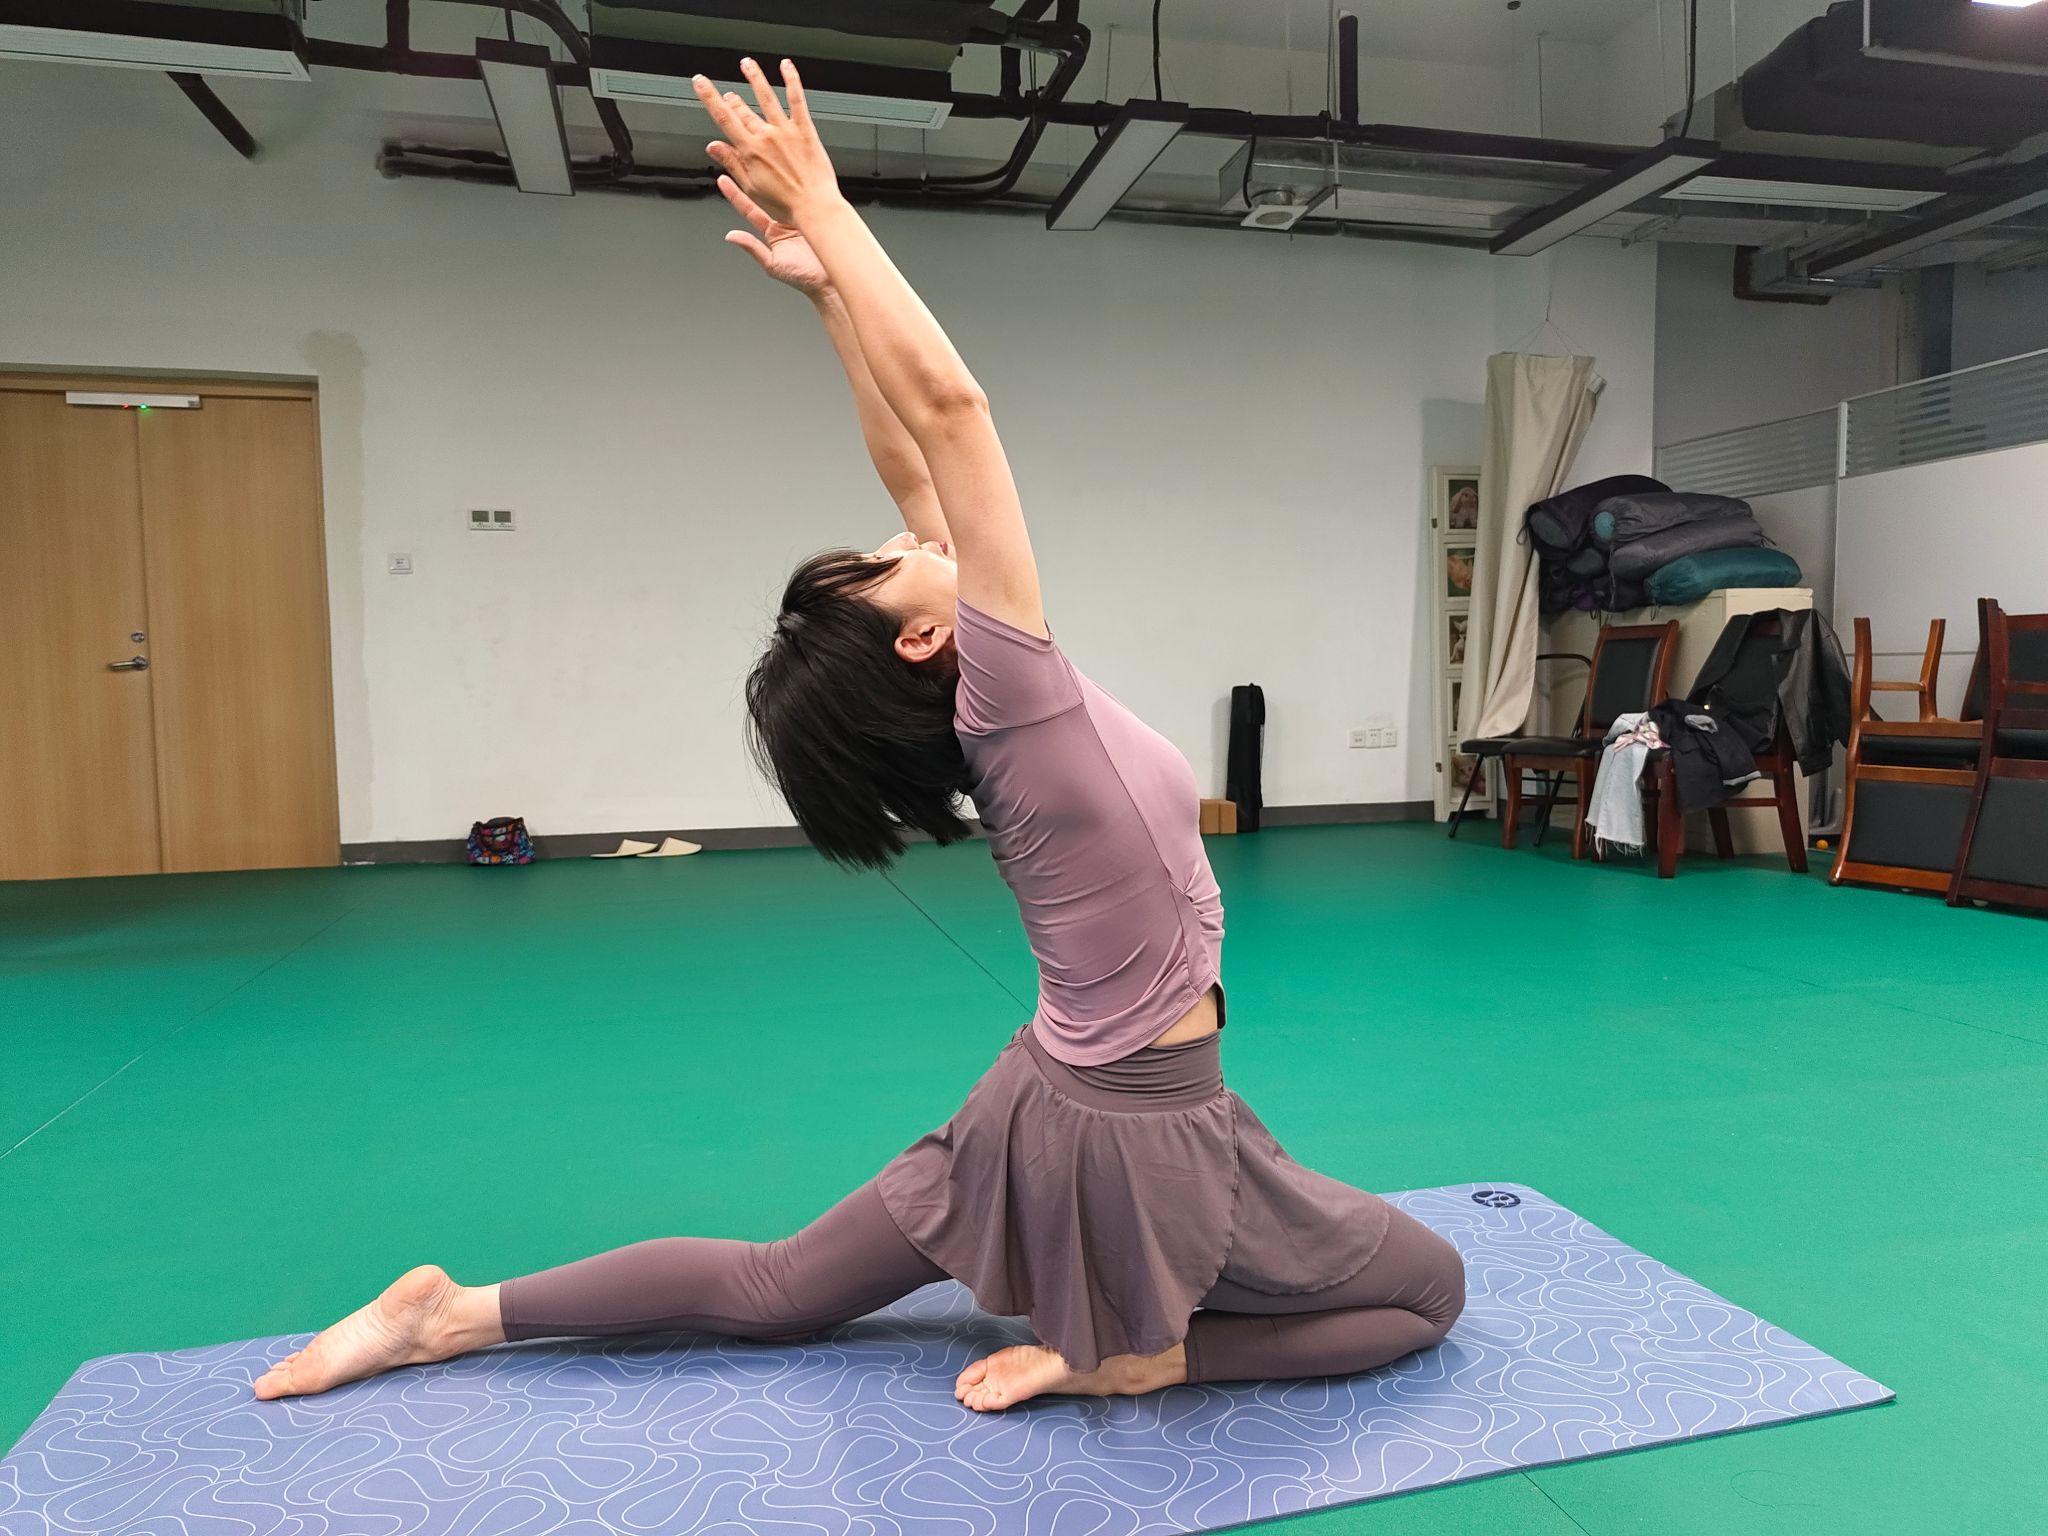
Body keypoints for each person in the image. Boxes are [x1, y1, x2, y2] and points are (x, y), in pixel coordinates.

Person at [252, 60, 1464, 1415]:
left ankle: (452, 1314)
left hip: (1045, 1095)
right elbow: (954, 417)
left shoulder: (994, 705)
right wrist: (827, 207)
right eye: (890, 562)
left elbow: (912, 462)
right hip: (1147, 1127)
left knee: (779, 1286)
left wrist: (829, 299)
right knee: (1430, 1293)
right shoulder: (1016, 696)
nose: (906, 532)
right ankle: (1150, 1359)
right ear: (925, 638)